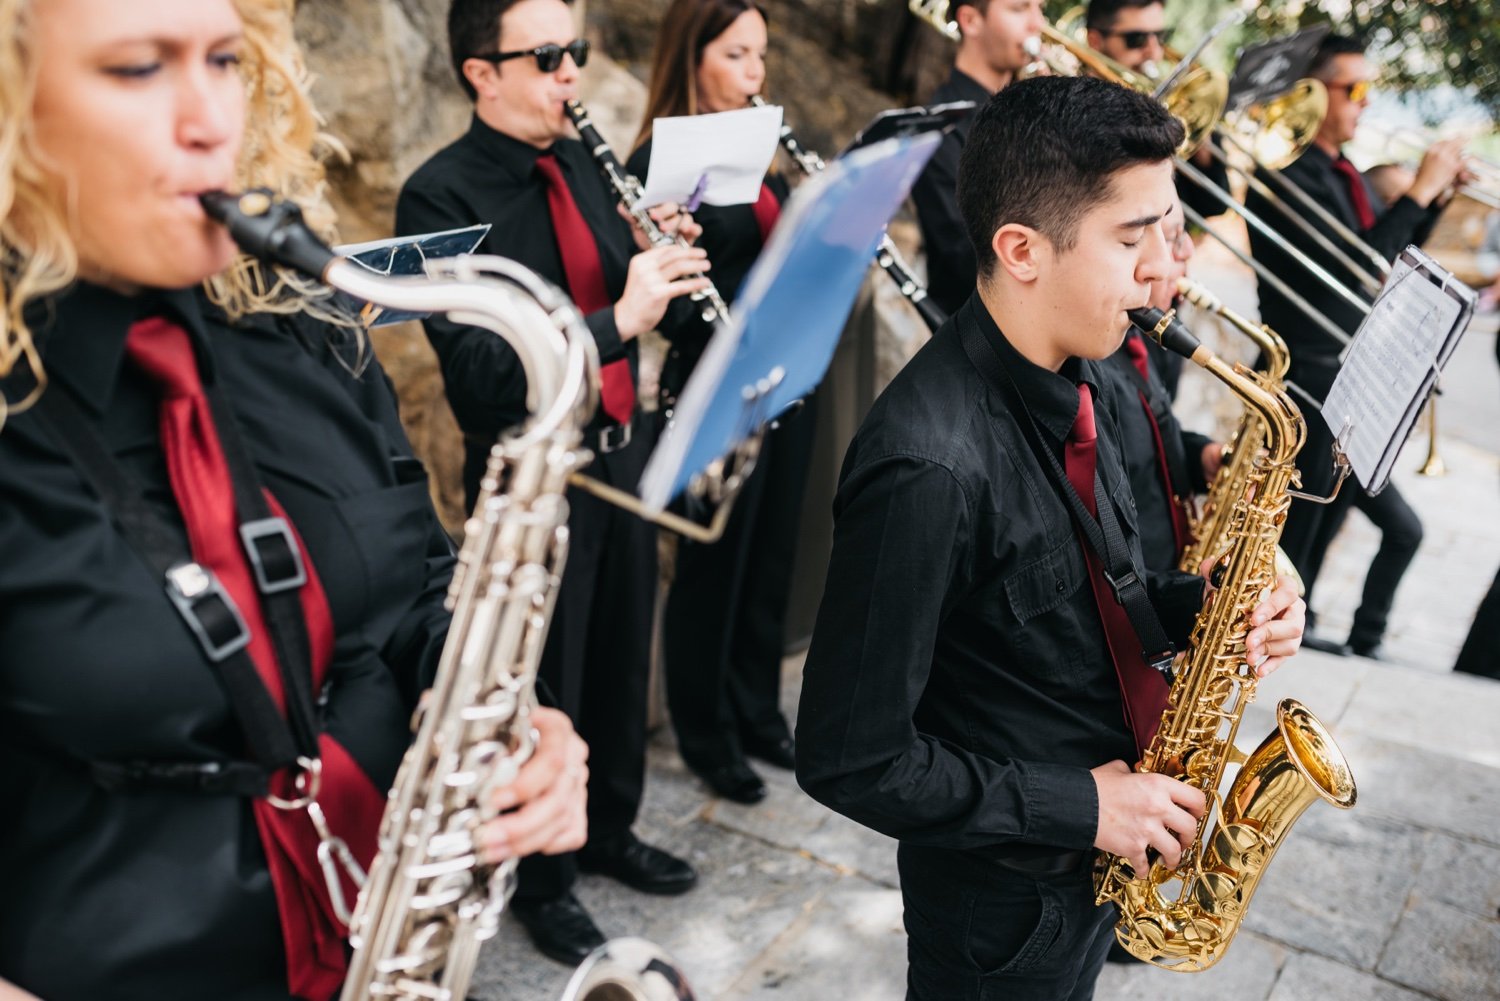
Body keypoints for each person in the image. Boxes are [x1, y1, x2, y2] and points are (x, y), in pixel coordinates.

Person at [0, 1, 588, 999]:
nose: (210, 119)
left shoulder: (303, 320)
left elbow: (421, 585)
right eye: (140, 67)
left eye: (225, 59)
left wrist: (518, 722)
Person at [795, 76, 1306, 1001]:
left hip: (1098, 857)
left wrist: (1219, 605)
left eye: (1167, 230)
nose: (1163, 270)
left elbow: (1094, 592)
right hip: (1003, 907)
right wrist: (1087, 804)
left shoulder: (1087, 369)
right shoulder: (925, 466)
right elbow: (850, 759)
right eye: (1132, 238)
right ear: (1021, 250)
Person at [394, 0, 706, 967]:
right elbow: (481, 376)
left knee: (618, 651)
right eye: (545, 56)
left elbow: (644, 303)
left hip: (618, 451)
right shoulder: (437, 198)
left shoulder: (586, 163)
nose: (570, 71)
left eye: (576, 50)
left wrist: (660, 256)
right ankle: (546, 882)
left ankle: (610, 827)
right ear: (481, 72)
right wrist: (619, 318)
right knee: (548, 678)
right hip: (528, 479)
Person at [623, 0, 809, 806]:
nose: (754, 72)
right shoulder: (653, 162)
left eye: (759, 54)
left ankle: (756, 708)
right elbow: (664, 299)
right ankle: (705, 732)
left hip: (777, 370)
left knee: (769, 554)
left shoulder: (756, 146)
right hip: (712, 376)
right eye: (735, 54)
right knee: (714, 565)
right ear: (692, 55)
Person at [1245, 32, 1467, 660]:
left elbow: (1393, 254)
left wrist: (1435, 197)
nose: (1367, 102)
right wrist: (1418, 189)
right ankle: (1284, 623)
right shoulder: (1290, 172)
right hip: (1305, 369)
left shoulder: (1343, 173)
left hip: (1345, 368)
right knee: (1302, 514)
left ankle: (1312, 619)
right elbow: (1357, 266)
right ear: (1314, 92)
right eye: (1355, 88)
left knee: (1329, 509)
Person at [1101, 198, 1221, 573]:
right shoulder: (1094, 363)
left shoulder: (1140, 337)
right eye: (1175, 237)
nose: (1186, 252)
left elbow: (1149, 437)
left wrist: (1201, 457)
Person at [911, 0, 1046, 318]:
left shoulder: (1029, 109)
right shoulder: (937, 130)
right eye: (1019, 8)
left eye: (1040, 7)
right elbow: (966, 258)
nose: (1038, 24)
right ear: (971, 20)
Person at [1084, 0, 1231, 235]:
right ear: (1095, 41)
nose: (1154, 52)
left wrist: (1200, 146)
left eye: (1161, 36)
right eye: (1136, 39)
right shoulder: (1079, 114)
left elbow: (1214, 205)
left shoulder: (1165, 101)